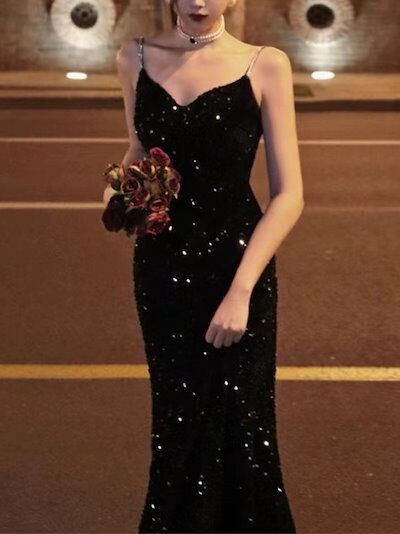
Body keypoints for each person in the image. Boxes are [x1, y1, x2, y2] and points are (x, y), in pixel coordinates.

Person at [111, 0, 304, 531]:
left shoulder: (265, 64)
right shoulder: (134, 57)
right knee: (176, 423)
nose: (199, 0)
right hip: (161, 270)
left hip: (237, 265)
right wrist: (122, 190)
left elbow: (289, 195)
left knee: (243, 424)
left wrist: (241, 291)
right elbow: (138, 146)